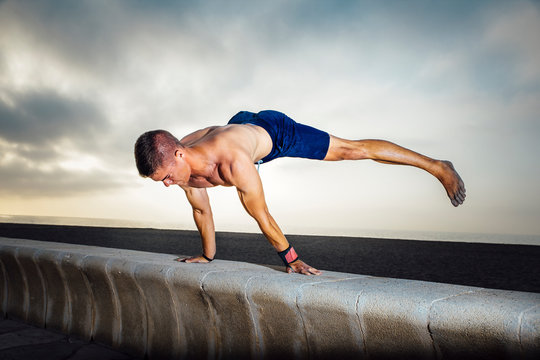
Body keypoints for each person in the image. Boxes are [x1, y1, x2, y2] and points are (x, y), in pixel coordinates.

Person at [134, 110, 466, 275]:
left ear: (179, 154)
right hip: (236, 125)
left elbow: (261, 214)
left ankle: (437, 166)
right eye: (160, 181)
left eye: (165, 177)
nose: (167, 184)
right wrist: (207, 255)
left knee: (351, 150)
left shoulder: (233, 164)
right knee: (214, 172)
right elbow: (201, 210)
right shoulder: (181, 167)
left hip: (271, 132)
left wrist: (290, 258)